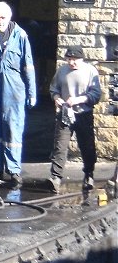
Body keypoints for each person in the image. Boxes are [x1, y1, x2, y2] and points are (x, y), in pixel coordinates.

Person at [0, 2, 37, 189]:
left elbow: (28, 66)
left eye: (3, 17)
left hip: (14, 87)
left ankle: (14, 171)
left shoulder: (20, 35)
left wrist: (32, 93)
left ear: (9, 18)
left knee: (13, 128)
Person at [48, 45, 101, 194]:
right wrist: (56, 97)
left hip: (83, 113)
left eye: (74, 59)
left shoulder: (90, 71)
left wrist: (78, 100)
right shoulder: (62, 71)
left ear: (81, 59)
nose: (71, 62)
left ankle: (89, 175)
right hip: (65, 113)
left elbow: (96, 95)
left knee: (87, 145)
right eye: (69, 59)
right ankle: (55, 178)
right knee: (60, 145)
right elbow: (53, 88)